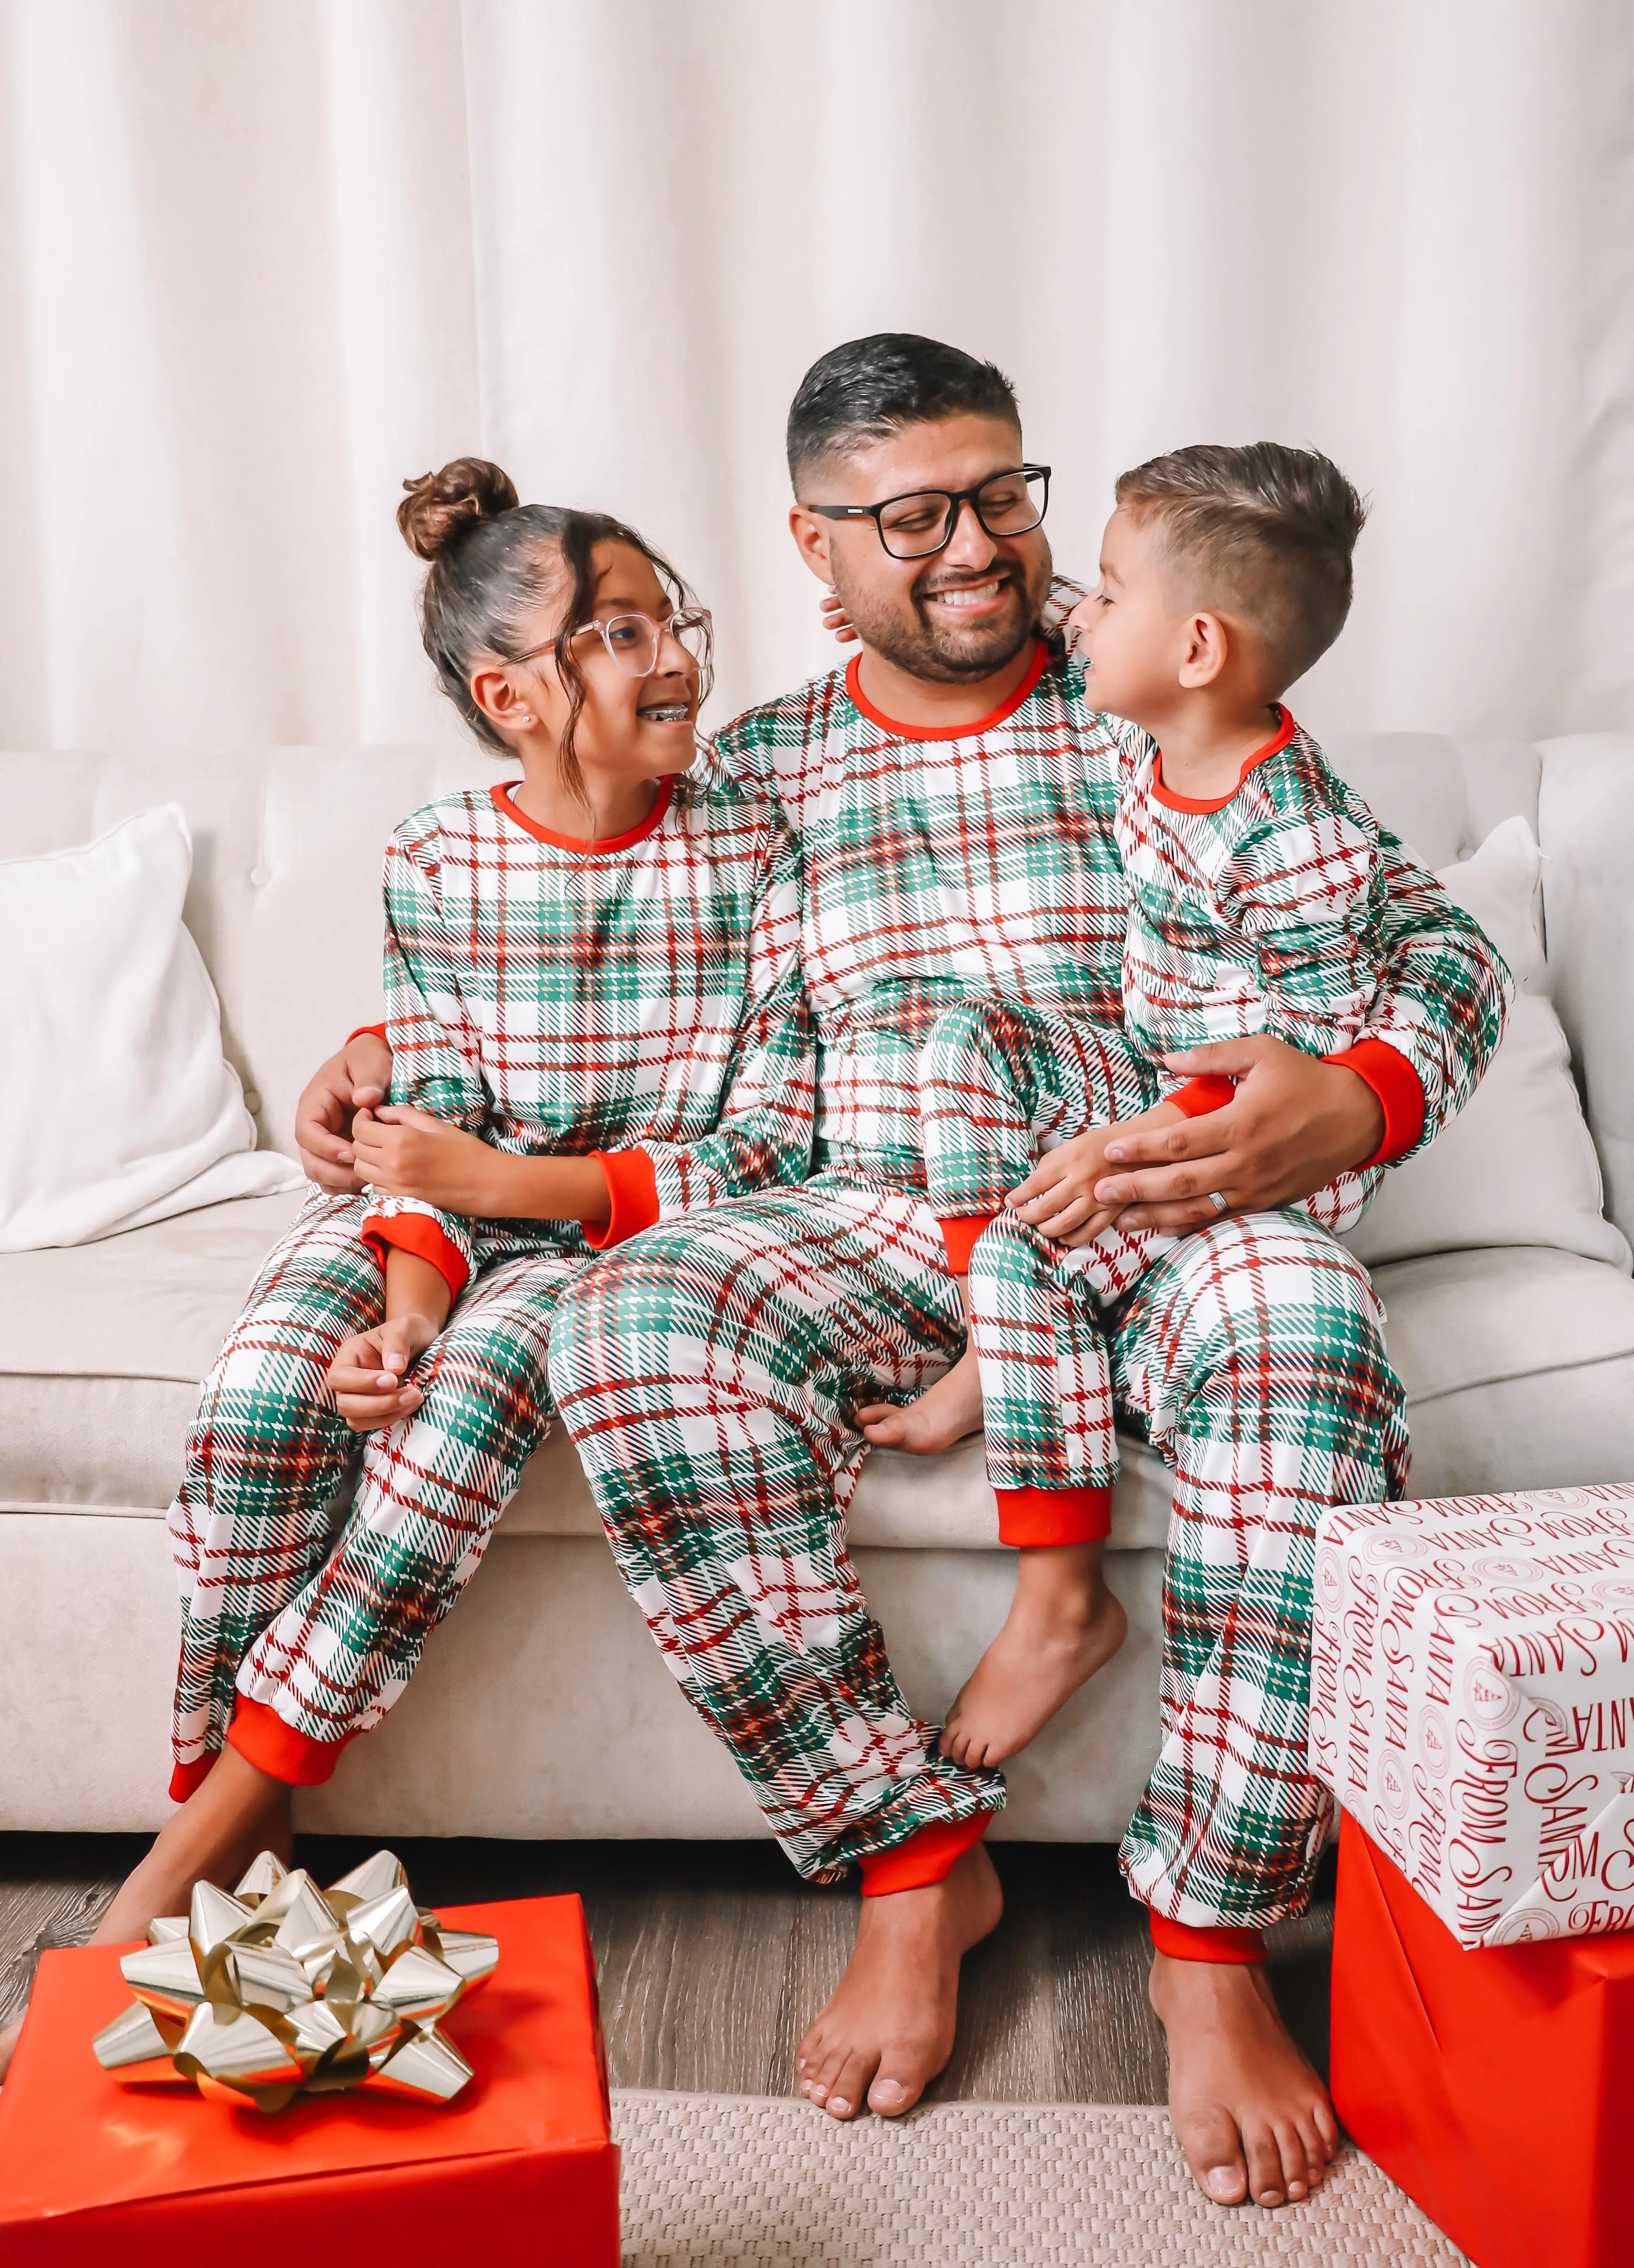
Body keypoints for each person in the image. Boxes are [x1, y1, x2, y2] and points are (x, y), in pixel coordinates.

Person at [292, 338, 1507, 2212]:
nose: (979, 547)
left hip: (1143, 1192)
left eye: (1008, 496)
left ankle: (1208, 1949)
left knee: (1296, 1314)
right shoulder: (754, 765)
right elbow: (572, 935)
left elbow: (1435, 953)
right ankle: (910, 1859)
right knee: (627, 1318)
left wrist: (1347, 1101)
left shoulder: (1163, 696)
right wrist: (383, 1051)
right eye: (915, 513)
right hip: (858, 1211)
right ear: (810, 542)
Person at [0, 462, 809, 2068]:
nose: (678, 659)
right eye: (622, 631)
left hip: (614, 1236)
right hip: (431, 1219)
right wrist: (402, 1309)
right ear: (512, 696)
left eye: (679, 619)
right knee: (264, 1396)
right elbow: (418, 1119)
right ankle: (232, 1833)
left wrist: (510, 1200)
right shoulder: (439, 857)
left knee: (462, 1418)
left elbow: (764, 1144)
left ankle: (197, 1849)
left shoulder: (752, 848)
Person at [860, 442, 1404, 1779]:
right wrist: (890, 601)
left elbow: (1311, 1059)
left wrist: (1146, 1143)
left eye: (1100, 594)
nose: (1075, 615)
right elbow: (1095, 624)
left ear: (1200, 645)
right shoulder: (1171, 722)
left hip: (1256, 1148)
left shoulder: (1299, 833)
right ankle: (1004, 1334)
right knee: (971, 1044)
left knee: (1040, 1238)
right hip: (1151, 1080)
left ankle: (1061, 1599)